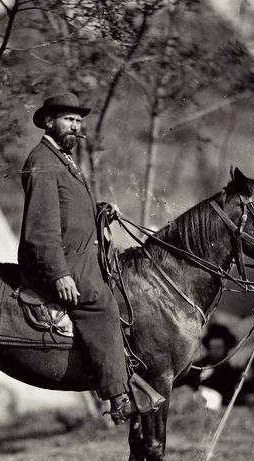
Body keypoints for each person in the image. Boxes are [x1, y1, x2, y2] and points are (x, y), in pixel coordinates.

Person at [18, 92, 161, 424]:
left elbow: (69, 214)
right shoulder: (42, 162)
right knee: (100, 302)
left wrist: (98, 213)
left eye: (79, 121)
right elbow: (41, 231)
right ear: (49, 121)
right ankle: (118, 396)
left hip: (80, 255)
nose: (75, 126)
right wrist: (59, 275)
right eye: (69, 119)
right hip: (57, 262)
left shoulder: (62, 159)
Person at [177, 323, 243, 409]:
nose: (214, 352)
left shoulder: (230, 373)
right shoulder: (196, 366)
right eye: (212, 348)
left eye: (218, 348)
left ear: (226, 349)